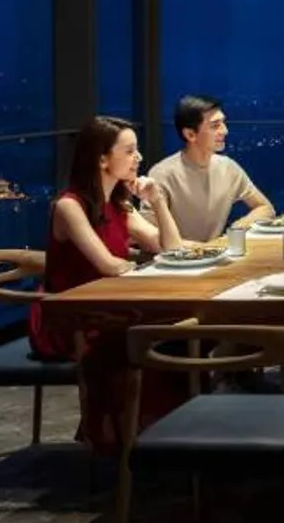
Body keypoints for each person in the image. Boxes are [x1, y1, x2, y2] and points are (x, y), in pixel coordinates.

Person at [29, 115, 188, 452]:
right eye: (130, 151)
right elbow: (108, 265)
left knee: (177, 335)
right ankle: (121, 436)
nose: (138, 158)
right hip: (69, 318)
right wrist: (143, 266)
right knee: (145, 341)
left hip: (111, 308)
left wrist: (157, 201)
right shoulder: (69, 206)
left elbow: (171, 249)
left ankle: (159, 435)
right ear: (102, 159)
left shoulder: (119, 204)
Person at [144, 95, 275, 242]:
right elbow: (151, 238)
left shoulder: (228, 168)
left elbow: (265, 208)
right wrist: (202, 250)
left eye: (223, 123)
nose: (225, 131)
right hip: (177, 255)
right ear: (190, 134)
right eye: (215, 126)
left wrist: (236, 229)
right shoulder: (162, 174)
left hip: (215, 253)